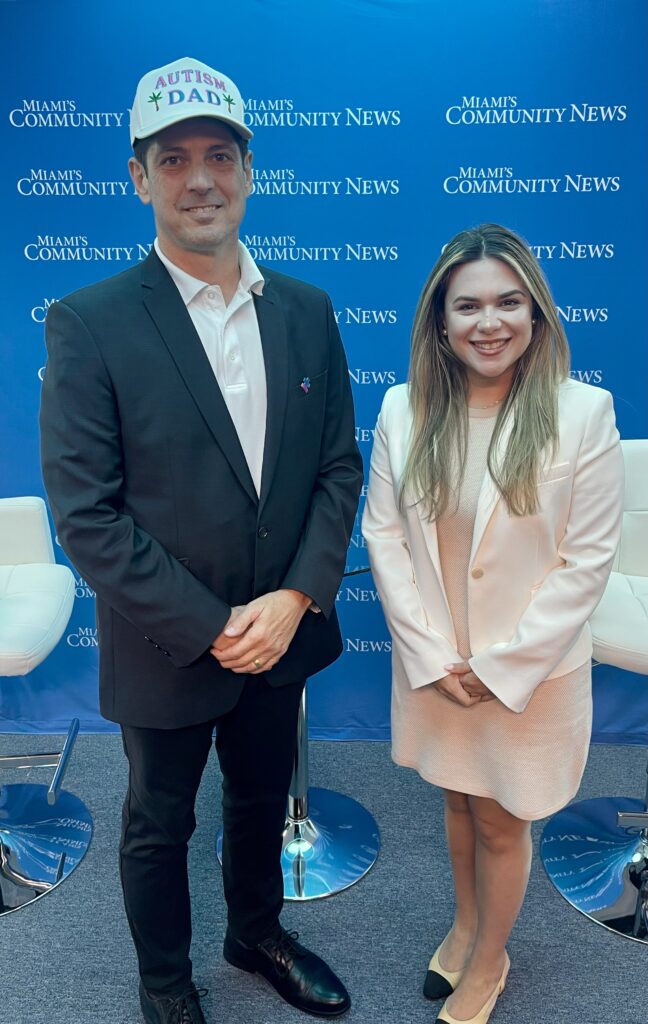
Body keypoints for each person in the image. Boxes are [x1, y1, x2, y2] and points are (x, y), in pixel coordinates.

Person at [40, 57, 362, 1024]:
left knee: (262, 801)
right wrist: (216, 623)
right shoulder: (88, 323)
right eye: (172, 158)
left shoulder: (305, 310)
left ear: (250, 169)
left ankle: (255, 932)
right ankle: (167, 982)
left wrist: (297, 597)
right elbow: (86, 516)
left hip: (283, 629)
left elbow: (338, 468)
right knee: (159, 823)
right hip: (167, 641)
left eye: (219, 154)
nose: (200, 179)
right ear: (138, 177)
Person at [362, 223, 624, 1024]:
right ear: (440, 322)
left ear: (537, 315)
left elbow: (586, 561)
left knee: (504, 823)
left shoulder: (583, 412)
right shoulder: (403, 410)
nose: (489, 322)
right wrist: (437, 656)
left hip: (530, 678)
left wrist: (501, 665)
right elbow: (382, 536)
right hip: (436, 665)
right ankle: (468, 924)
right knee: (456, 803)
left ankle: (491, 960)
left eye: (510, 302)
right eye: (468, 305)